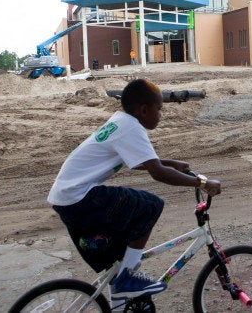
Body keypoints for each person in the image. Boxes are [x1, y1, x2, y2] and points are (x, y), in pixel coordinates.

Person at [47, 79, 221, 303]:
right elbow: (157, 173)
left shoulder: (120, 121)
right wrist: (203, 183)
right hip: (81, 197)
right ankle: (127, 280)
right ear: (144, 110)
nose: (160, 115)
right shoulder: (131, 127)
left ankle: (121, 295)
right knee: (150, 206)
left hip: (65, 199)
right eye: (159, 110)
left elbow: (141, 161)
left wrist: (167, 162)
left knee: (117, 260)